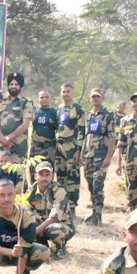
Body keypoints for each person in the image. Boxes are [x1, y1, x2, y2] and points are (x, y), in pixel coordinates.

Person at [22, 162, 74, 259]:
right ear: (35, 176)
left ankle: (60, 249)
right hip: (42, 225)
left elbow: (54, 218)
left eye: (47, 175)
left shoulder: (59, 190)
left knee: (54, 228)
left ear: (52, 176)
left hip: (62, 226)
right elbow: (25, 212)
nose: (44, 178)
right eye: (41, 174)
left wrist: (35, 231)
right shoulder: (31, 191)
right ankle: (42, 246)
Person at [82, 89, 118, 225]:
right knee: (90, 183)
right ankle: (93, 212)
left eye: (98, 96)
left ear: (102, 98)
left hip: (101, 156)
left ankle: (98, 215)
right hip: (88, 155)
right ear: (90, 99)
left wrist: (109, 157)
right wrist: (82, 154)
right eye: (93, 97)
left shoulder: (108, 115)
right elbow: (86, 136)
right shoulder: (89, 115)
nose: (95, 99)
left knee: (98, 185)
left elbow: (112, 137)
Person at [55, 83, 85, 215]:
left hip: (72, 148)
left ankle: (72, 207)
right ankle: (62, 206)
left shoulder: (77, 108)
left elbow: (82, 130)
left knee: (73, 178)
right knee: (61, 177)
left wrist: (79, 149)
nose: (65, 94)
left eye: (68, 91)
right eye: (63, 92)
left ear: (72, 93)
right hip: (59, 148)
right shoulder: (60, 108)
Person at [0, 72, 32, 161]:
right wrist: (2, 138)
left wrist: (8, 138)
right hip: (3, 147)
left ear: (20, 86)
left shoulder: (26, 102)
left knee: (18, 174)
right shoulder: (2, 102)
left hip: (18, 146)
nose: (13, 86)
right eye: (11, 84)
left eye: (16, 84)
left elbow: (25, 125)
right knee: (3, 173)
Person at [29, 89, 58, 166]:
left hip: (49, 148)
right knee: (33, 172)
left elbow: (59, 131)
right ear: (38, 99)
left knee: (47, 172)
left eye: (46, 97)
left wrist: (55, 148)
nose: (44, 99)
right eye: (42, 97)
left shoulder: (55, 112)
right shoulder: (34, 112)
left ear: (50, 98)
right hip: (35, 148)